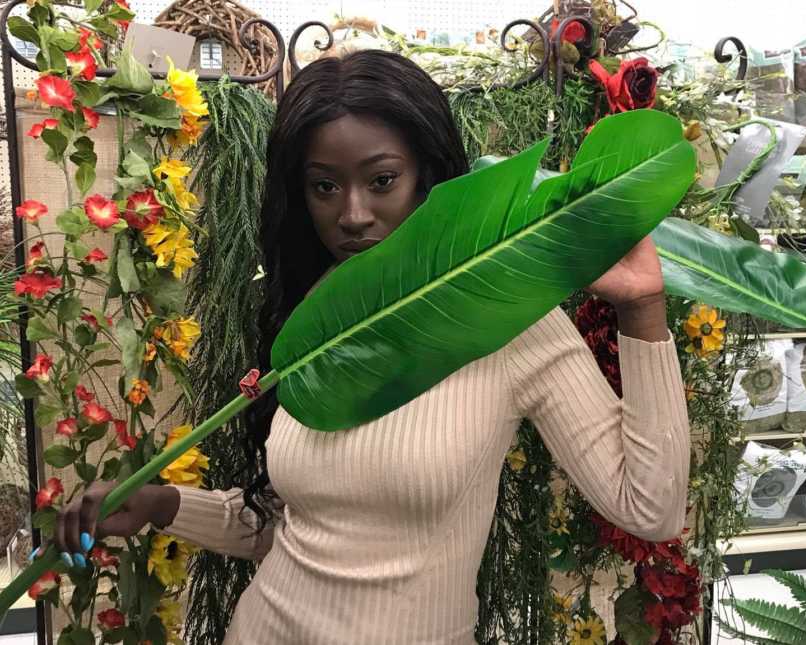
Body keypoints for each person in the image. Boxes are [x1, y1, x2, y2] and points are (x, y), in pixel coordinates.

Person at [43, 49, 690, 644]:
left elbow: (650, 505)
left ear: (428, 175)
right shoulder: (313, 309)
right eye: (325, 186)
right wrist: (164, 503)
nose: (352, 214)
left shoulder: (510, 322)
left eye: (381, 180)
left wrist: (641, 310)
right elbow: (290, 529)